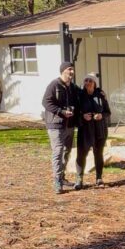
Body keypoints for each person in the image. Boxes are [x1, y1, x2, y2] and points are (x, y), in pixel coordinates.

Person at [42, 60, 78, 194]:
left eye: (72, 70)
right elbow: (46, 102)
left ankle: (62, 177)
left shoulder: (72, 87)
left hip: (69, 125)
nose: (72, 72)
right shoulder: (54, 85)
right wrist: (61, 112)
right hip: (55, 125)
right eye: (69, 69)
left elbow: (83, 96)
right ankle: (57, 181)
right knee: (58, 152)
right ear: (63, 71)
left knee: (67, 153)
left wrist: (98, 92)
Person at [75, 73, 111, 189]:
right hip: (85, 130)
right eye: (86, 80)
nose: (88, 83)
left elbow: (108, 112)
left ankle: (99, 178)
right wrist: (82, 116)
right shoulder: (80, 95)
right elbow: (75, 113)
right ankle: (79, 179)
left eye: (90, 81)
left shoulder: (100, 95)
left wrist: (101, 115)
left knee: (98, 154)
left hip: (99, 130)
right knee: (81, 154)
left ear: (94, 83)